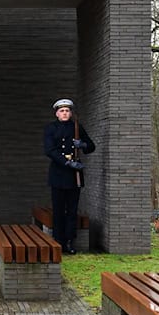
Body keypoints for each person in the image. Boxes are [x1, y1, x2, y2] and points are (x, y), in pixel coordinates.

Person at [44, 98, 95, 254]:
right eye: (62, 111)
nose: (65, 113)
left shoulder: (77, 127)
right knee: (59, 210)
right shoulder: (51, 128)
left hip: (74, 176)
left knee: (72, 211)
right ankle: (58, 241)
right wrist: (67, 163)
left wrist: (83, 145)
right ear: (57, 113)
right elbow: (49, 150)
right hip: (59, 174)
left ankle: (69, 242)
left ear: (71, 113)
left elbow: (91, 146)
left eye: (67, 111)